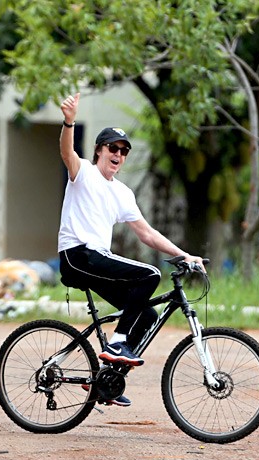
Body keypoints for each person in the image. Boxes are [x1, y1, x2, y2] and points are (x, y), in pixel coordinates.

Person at [58, 93, 205, 406]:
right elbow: (66, 151)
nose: (119, 155)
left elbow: (148, 234)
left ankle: (107, 380)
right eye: (113, 148)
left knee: (147, 314)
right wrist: (69, 120)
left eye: (124, 151)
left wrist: (185, 256)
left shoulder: (122, 193)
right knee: (150, 274)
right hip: (78, 255)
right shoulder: (82, 172)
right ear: (99, 151)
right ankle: (118, 343)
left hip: (96, 261)